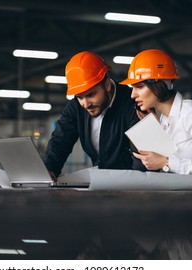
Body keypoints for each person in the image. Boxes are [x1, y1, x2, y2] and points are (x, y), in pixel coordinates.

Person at [120, 49, 192, 192]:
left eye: (139, 87)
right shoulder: (164, 119)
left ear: (158, 85)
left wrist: (165, 162)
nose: (133, 94)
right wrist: (157, 133)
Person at [44, 51, 146, 180]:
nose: (86, 104)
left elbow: (142, 159)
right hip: (99, 184)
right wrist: (49, 170)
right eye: (79, 97)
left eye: (91, 94)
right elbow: (60, 141)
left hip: (131, 186)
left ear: (107, 85)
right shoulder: (76, 107)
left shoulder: (133, 104)